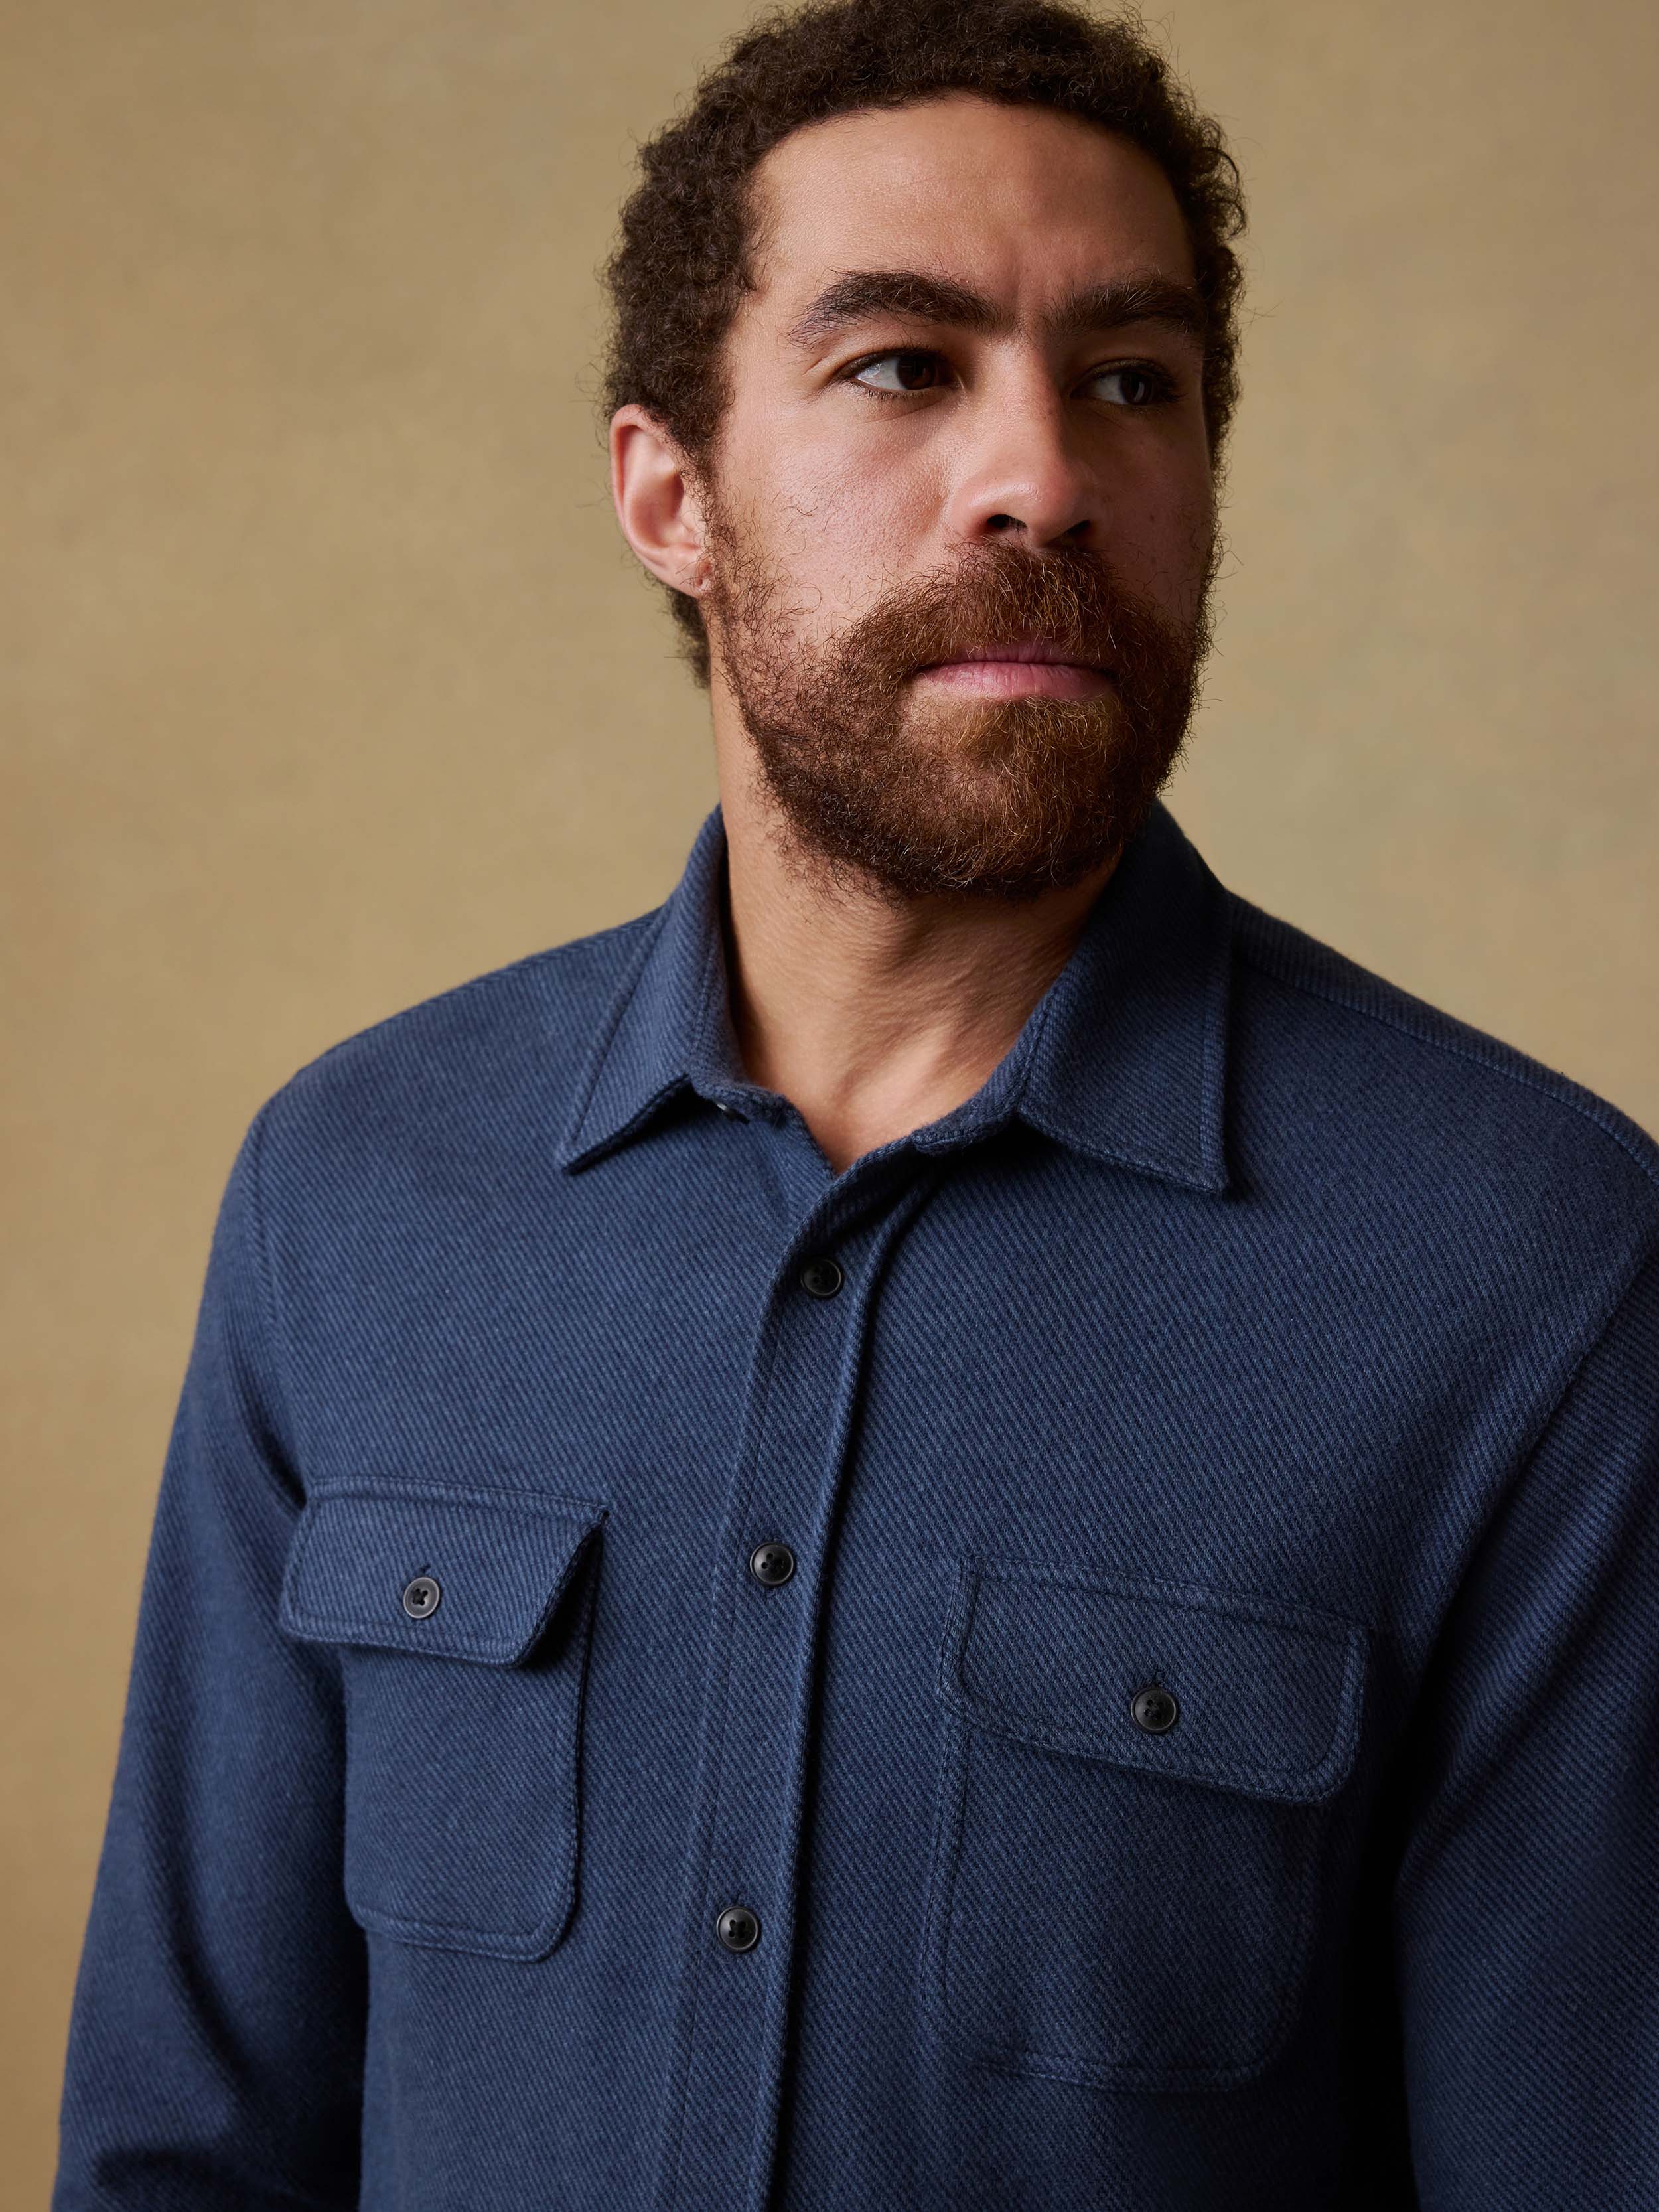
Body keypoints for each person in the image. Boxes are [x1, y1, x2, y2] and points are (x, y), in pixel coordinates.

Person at [53, 1, 1659, 2205]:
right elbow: (191, 2151)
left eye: (1129, 381)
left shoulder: (1528, 1274)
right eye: (905, 366)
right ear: (668, 495)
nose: (1045, 477)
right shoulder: (353, 1192)